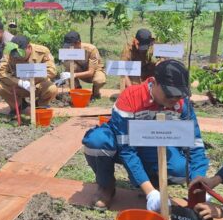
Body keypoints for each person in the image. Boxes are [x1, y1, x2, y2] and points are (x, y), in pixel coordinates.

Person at [82, 60, 209, 210]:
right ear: (154, 83)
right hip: (121, 144)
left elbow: (195, 145)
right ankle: (106, 186)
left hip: (152, 146)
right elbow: (126, 149)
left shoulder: (182, 105)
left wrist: (198, 183)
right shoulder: (131, 98)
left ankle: (153, 181)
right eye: (169, 94)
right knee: (97, 142)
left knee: (182, 170)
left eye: (179, 95)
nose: (174, 100)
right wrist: (150, 193)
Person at [0, 35, 58, 116]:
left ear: (28, 47)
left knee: (52, 89)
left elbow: (52, 71)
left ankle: (39, 106)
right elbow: (1, 72)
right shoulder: (9, 53)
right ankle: (20, 107)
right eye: (15, 55)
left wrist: (34, 78)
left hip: (37, 85)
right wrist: (20, 82)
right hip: (18, 86)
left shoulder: (42, 51)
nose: (18, 58)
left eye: (20, 54)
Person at [59, 31, 106, 99]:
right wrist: (66, 75)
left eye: (70, 45)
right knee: (69, 67)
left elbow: (90, 72)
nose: (68, 47)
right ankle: (77, 91)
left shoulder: (91, 49)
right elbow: (66, 65)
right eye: (67, 45)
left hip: (94, 72)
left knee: (99, 80)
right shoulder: (66, 49)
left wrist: (73, 75)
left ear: (78, 43)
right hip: (79, 70)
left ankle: (95, 93)